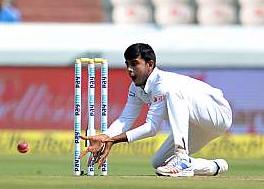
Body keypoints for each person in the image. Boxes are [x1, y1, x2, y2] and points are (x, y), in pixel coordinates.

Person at [80, 43, 232, 177]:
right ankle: (215, 167)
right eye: (127, 64)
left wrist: (112, 140)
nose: (129, 70)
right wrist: (106, 136)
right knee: (159, 162)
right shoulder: (135, 88)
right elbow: (125, 119)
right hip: (195, 124)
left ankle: (182, 156)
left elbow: (152, 128)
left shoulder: (162, 83)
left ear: (150, 64)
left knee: (173, 92)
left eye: (134, 64)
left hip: (217, 113)